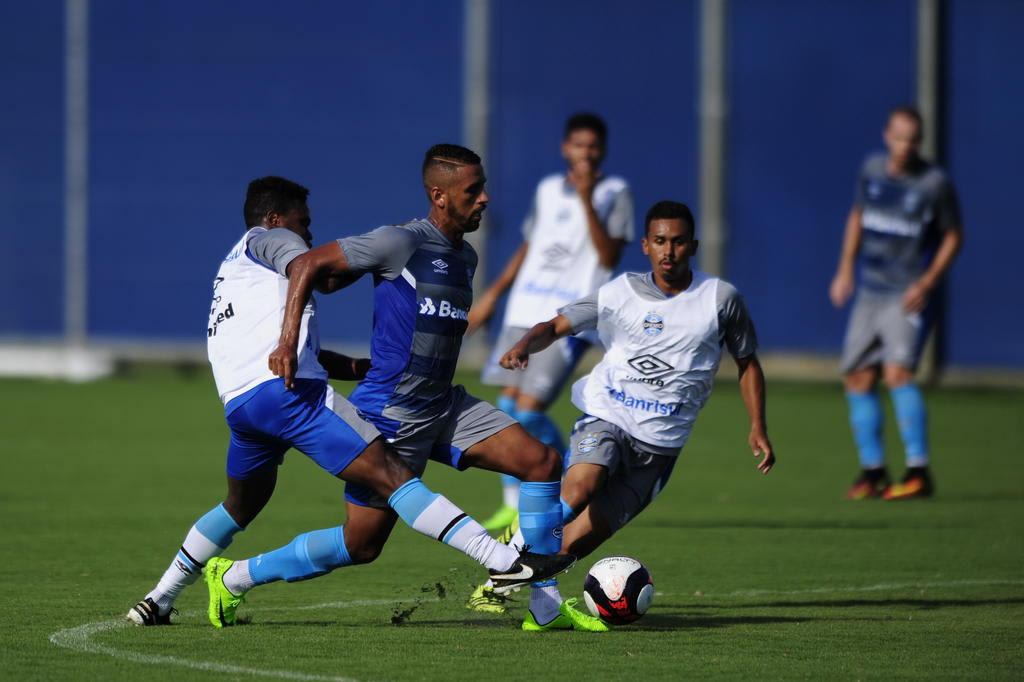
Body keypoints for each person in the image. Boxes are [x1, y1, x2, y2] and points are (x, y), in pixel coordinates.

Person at [126, 176, 571, 628]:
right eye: (305, 222)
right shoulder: (271, 237)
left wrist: (353, 365)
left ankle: (160, 597)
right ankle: (502, 559)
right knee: (392, 477)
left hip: (242, 406)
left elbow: (301, 347)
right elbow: (311, 268)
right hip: (288, 396)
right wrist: (357, 262)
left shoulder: (234, 269)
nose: (309, 232)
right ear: (276, 219)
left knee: (241, 506)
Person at [470, 200, 776, 631]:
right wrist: (525, 346)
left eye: (678, 241)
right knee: (580, 487)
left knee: (575, 544)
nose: (669, 251)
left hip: (660, 448)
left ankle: (531, 593)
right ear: (645, 246)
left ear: (694, 245)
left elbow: (747, 362)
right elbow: (556, 325)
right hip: (606, 415)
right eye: (660, 241)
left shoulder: (720, 299)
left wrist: (758, 426)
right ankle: (500, 575)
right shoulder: (620, 293)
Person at [468, 112, 634, 532]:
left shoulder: (615, 192)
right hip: (523, 310)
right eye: (579, 145)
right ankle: (511, 503)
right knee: (506, 411)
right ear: (566, 148)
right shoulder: (545, 189)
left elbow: (608, 256)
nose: (586, 153)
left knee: (527, 414)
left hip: (567, 319)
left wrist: (585, 199)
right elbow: (532, 245)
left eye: (593, 147)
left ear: (604, 151)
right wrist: (493, 293)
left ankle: (571, 472)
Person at [829, 106, 963, 500]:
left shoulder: (934, 183)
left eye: (913, 139)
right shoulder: (872, 170)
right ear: (887, 135)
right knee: (856, 377)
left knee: (898, 373)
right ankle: (873, 472)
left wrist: (928, 281)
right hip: (869, 289)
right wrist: (844, 270)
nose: (905, 145)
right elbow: (857, 215)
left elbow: (954, 235)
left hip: (906, 293)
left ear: (919, 141)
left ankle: (918, 471)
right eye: (899, 136)